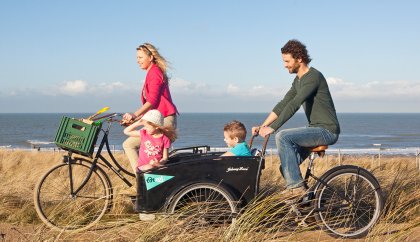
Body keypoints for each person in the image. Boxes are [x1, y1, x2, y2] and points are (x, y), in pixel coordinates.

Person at [252, 39, 340, 197]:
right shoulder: (298, 80)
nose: (284, 65)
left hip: (327, 130)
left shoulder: (313, 77)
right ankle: (307, 201)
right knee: (285, 168)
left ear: (299, 58)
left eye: (287, 61)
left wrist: (273, 128)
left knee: (283, 136)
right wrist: (262, 125)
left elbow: (295, 104)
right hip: (314, 129)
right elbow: (284, 104)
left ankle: (297, 190)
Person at [122, 43, 178, 173]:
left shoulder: (154, 72)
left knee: (129, 145)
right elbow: (152, 107)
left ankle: (141, 181)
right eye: (137, 58)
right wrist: (136, 120)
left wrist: (135, 115)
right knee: (142, 152)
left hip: (163, 120)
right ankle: (144, 182)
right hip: (157, 118)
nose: (138, 61)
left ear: (151, 57)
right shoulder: (152, 72)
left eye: (140, 57)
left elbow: (152, 101)